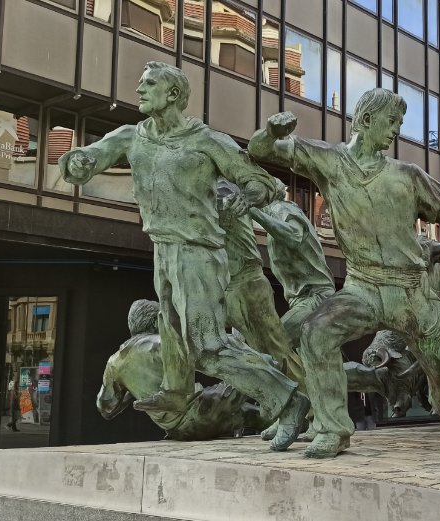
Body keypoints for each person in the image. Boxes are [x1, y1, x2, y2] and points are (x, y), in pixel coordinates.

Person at [61, 61, 308, 451]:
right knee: (171, 328)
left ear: (173, 94)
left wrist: (251, 195)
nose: (139, 91)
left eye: (149, 84)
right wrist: (79, 162)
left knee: (207, 345)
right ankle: (176, 391)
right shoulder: (131, 137)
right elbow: (92, 156)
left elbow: (260, 180)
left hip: (199, 252)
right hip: (163, 247)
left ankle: (288, 399)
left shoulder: (206, 140)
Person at [248, 88, 440, 458]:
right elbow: (260, 151)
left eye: (400, 123)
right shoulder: (328, 160)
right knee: (316, 332)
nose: (396, 130)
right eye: (392, 121)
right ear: (366, 121)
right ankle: (333, 428)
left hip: (411, 292)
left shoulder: (408, 175)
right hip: (362, 287)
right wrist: (271, 132)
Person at [96, 300, 265, 440]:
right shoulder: (162, 344)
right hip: (203, 412)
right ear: (157, 322)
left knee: (250, 413)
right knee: (250, 374)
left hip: (179, 431)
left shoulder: (114, 363)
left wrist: (130, 387)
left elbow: (106, 409)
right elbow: (212, 356)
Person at [216, 179, 305, 387]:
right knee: (257, 357)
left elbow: (294, 236)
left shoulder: (223, 188)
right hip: (228, 287)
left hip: (246, 284)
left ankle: (309, 409)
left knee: (278, 355)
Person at [246, 180, 336, 347]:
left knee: (272, 344)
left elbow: (294, 235)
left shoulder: (282, 208)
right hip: (304, 301)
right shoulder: (274, 219)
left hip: (315, 298)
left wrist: (254, 213)